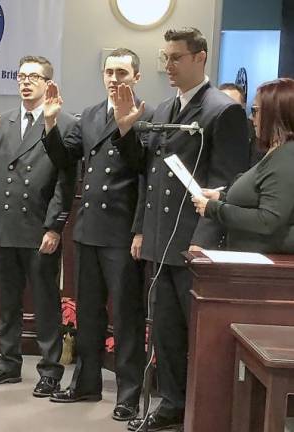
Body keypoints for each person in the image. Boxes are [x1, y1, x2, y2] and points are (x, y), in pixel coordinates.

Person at [111, 27, 249, 431]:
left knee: (197, 337)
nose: (167, 65)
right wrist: (124, 128)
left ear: (200, 58)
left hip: (192, 244)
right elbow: (144, 174)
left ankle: (201, 409)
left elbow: (228, 183)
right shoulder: (160, 111)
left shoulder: (223, 111)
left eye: (176, 57)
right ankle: (171, 402)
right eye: (165, 57)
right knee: (165, 334)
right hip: (159, 239)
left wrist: (201, 246)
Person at [42, 48, 152, 422]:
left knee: (126, 317)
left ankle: (128, 394)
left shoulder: (147, 114)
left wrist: (139, 230)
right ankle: (85, 383)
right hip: (88, 229)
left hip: (122, 231)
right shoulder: (89, 114)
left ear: (136, 77)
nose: (114, 78)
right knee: (87, 313)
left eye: (122, 72)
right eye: (109, 71)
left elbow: (144, 175)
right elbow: (64, 159)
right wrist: (51, 124)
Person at [0, 55, 77, 397]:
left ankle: (49, 370)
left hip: (37, 228)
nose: (26, 82)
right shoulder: (2, 123)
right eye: (21, 76)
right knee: (8, 302)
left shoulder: (64, 122)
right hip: (4, 227)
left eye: (34, 77)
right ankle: (8, 364)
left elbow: (65, 181)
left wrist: (54, 227)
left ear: (49, 83)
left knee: (46, 303)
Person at [193, 78, 294, 253]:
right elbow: (257, 199)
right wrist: (221, 197)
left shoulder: (287, 156)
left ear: (274, 114)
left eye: (255, 111)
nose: (250, 117)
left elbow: (268, 219)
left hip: (267, 266)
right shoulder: (276, 152)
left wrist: (214, 209)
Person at [219, 82, 262, 166]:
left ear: (244, 107)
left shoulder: (256, 134)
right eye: (222, 105)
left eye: (233, 106)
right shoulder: (202, 132)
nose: (227, 111)